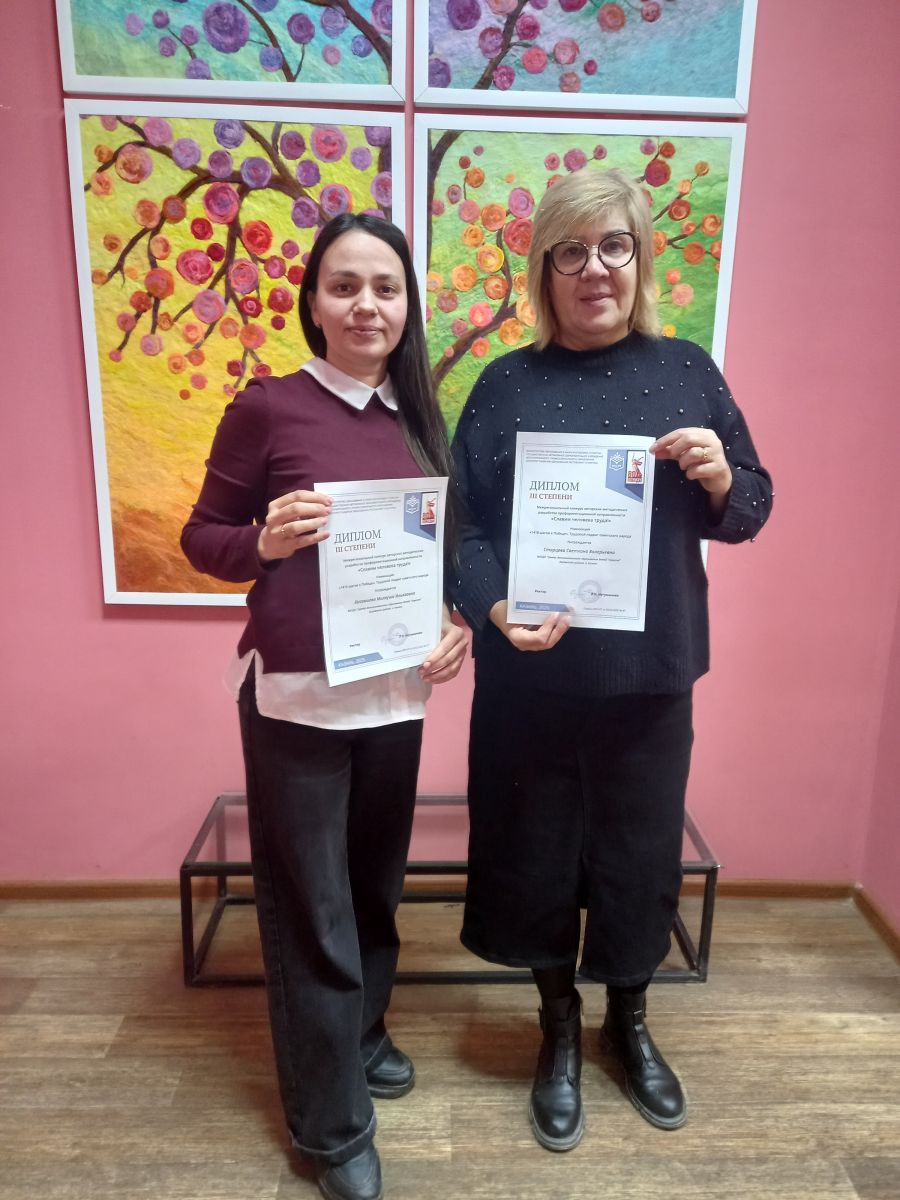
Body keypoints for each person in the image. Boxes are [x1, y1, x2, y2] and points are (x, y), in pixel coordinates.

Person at [451, 168, 772, 1151]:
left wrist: (719, 479)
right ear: (543, 271)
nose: (595, 269)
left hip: (650, 679)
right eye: (571, 252)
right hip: (530, 684)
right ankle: (556, 1026)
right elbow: (463, 530)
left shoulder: (688, 371)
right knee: (535, 854)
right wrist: (493, 604)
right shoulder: (504, 384)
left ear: (640, 258)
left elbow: (753, 503)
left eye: (614, 247)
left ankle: (627, 1023)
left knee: (638, 859)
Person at [182, 213, 467, 1200]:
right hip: (298, 703)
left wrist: (452, 623)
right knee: (313, 911)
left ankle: (362, 1033)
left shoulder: (418, 417)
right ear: (313, 301)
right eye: (344, 286)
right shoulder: (268, 406)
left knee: (374, 892)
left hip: (395, 698)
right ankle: (331, 1122)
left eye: (385, 287)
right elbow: (202, 538)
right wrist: (260, 543)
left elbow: (433, 561)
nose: (365, 305)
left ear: (407, 306)